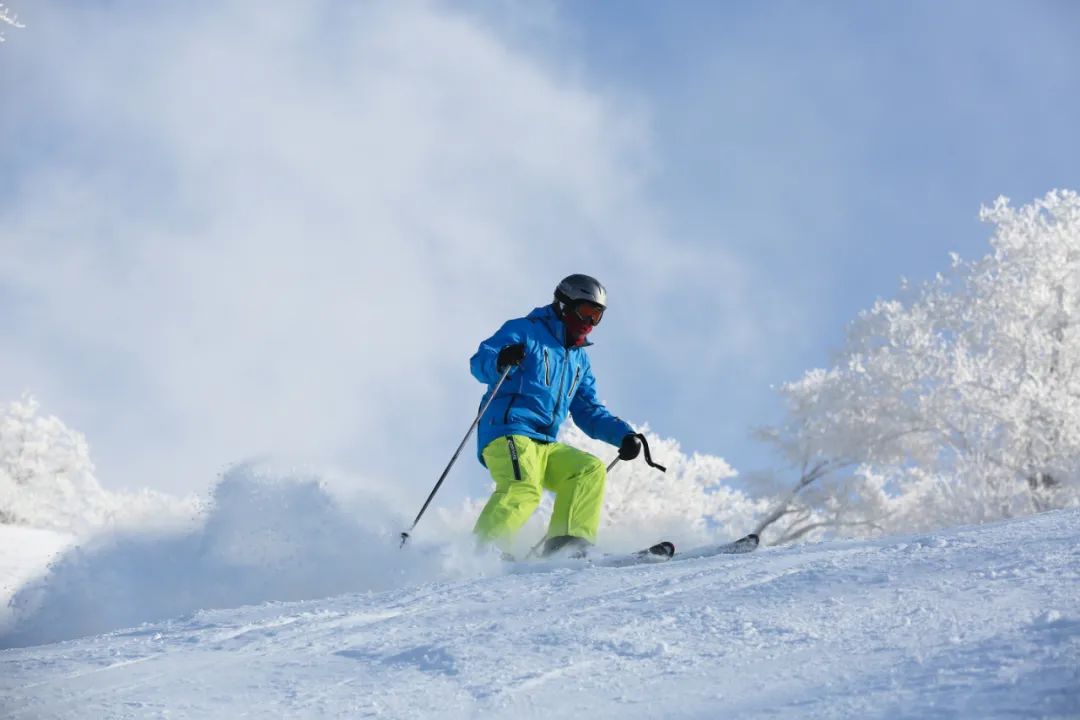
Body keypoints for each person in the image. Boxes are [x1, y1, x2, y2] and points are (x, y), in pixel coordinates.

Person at [469, 274, 642, 558]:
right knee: (524, 486)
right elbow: (480, 361)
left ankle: (566, 546)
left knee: (587, 470)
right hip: (508, 430)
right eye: (585, 311)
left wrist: (623, 435)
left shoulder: (579, 360)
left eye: (597, 315)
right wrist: (500, 360)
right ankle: (483, 552)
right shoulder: (525, 331)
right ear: (563, 305)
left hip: (544, 443)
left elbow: (588, 409)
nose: (589, 322)